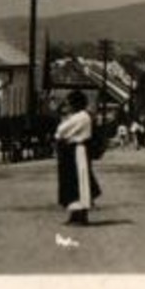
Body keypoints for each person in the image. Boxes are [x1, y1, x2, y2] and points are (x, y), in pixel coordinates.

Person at [54, 89, 100, 225]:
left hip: (78, 150)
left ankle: (81, 214)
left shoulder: (81, 117)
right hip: (72, 151)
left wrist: (62, 127)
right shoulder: (80, 116)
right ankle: (75, 213)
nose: (67, 106)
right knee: (72, 181)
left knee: (80, 180)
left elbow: (61, 131)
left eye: (69, 103)